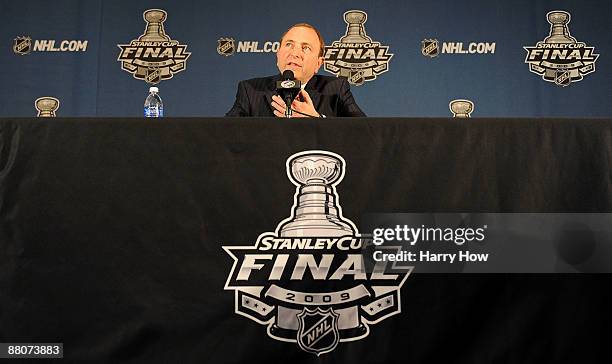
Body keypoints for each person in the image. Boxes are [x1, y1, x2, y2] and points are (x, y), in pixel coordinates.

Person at [226, 23, 365, 117]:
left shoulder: (336, 89)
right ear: (278, 54)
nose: (295, 53)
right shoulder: (250, 90)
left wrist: (318, 121)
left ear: (318, 63)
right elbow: (226, 134)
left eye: (306, 48)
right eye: (289, 44)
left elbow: (365, 133)